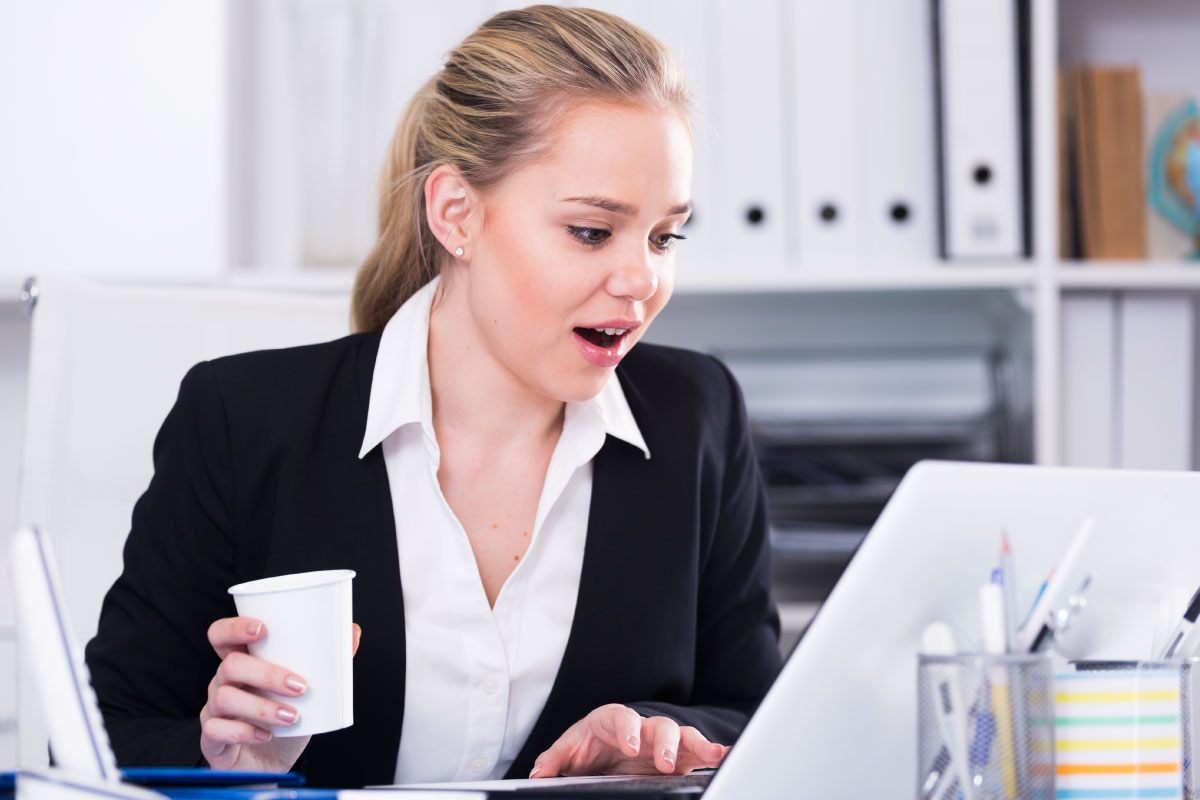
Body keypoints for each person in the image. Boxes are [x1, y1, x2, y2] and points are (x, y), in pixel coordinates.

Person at [84, 5, 781, 789]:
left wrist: (664, 739)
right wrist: (227, 769)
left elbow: (760, 713)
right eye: (592, 231)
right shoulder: (241, 421)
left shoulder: (699, 418)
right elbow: (106, 739)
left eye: (664, 237)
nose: (642, 281)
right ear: (456, 213)